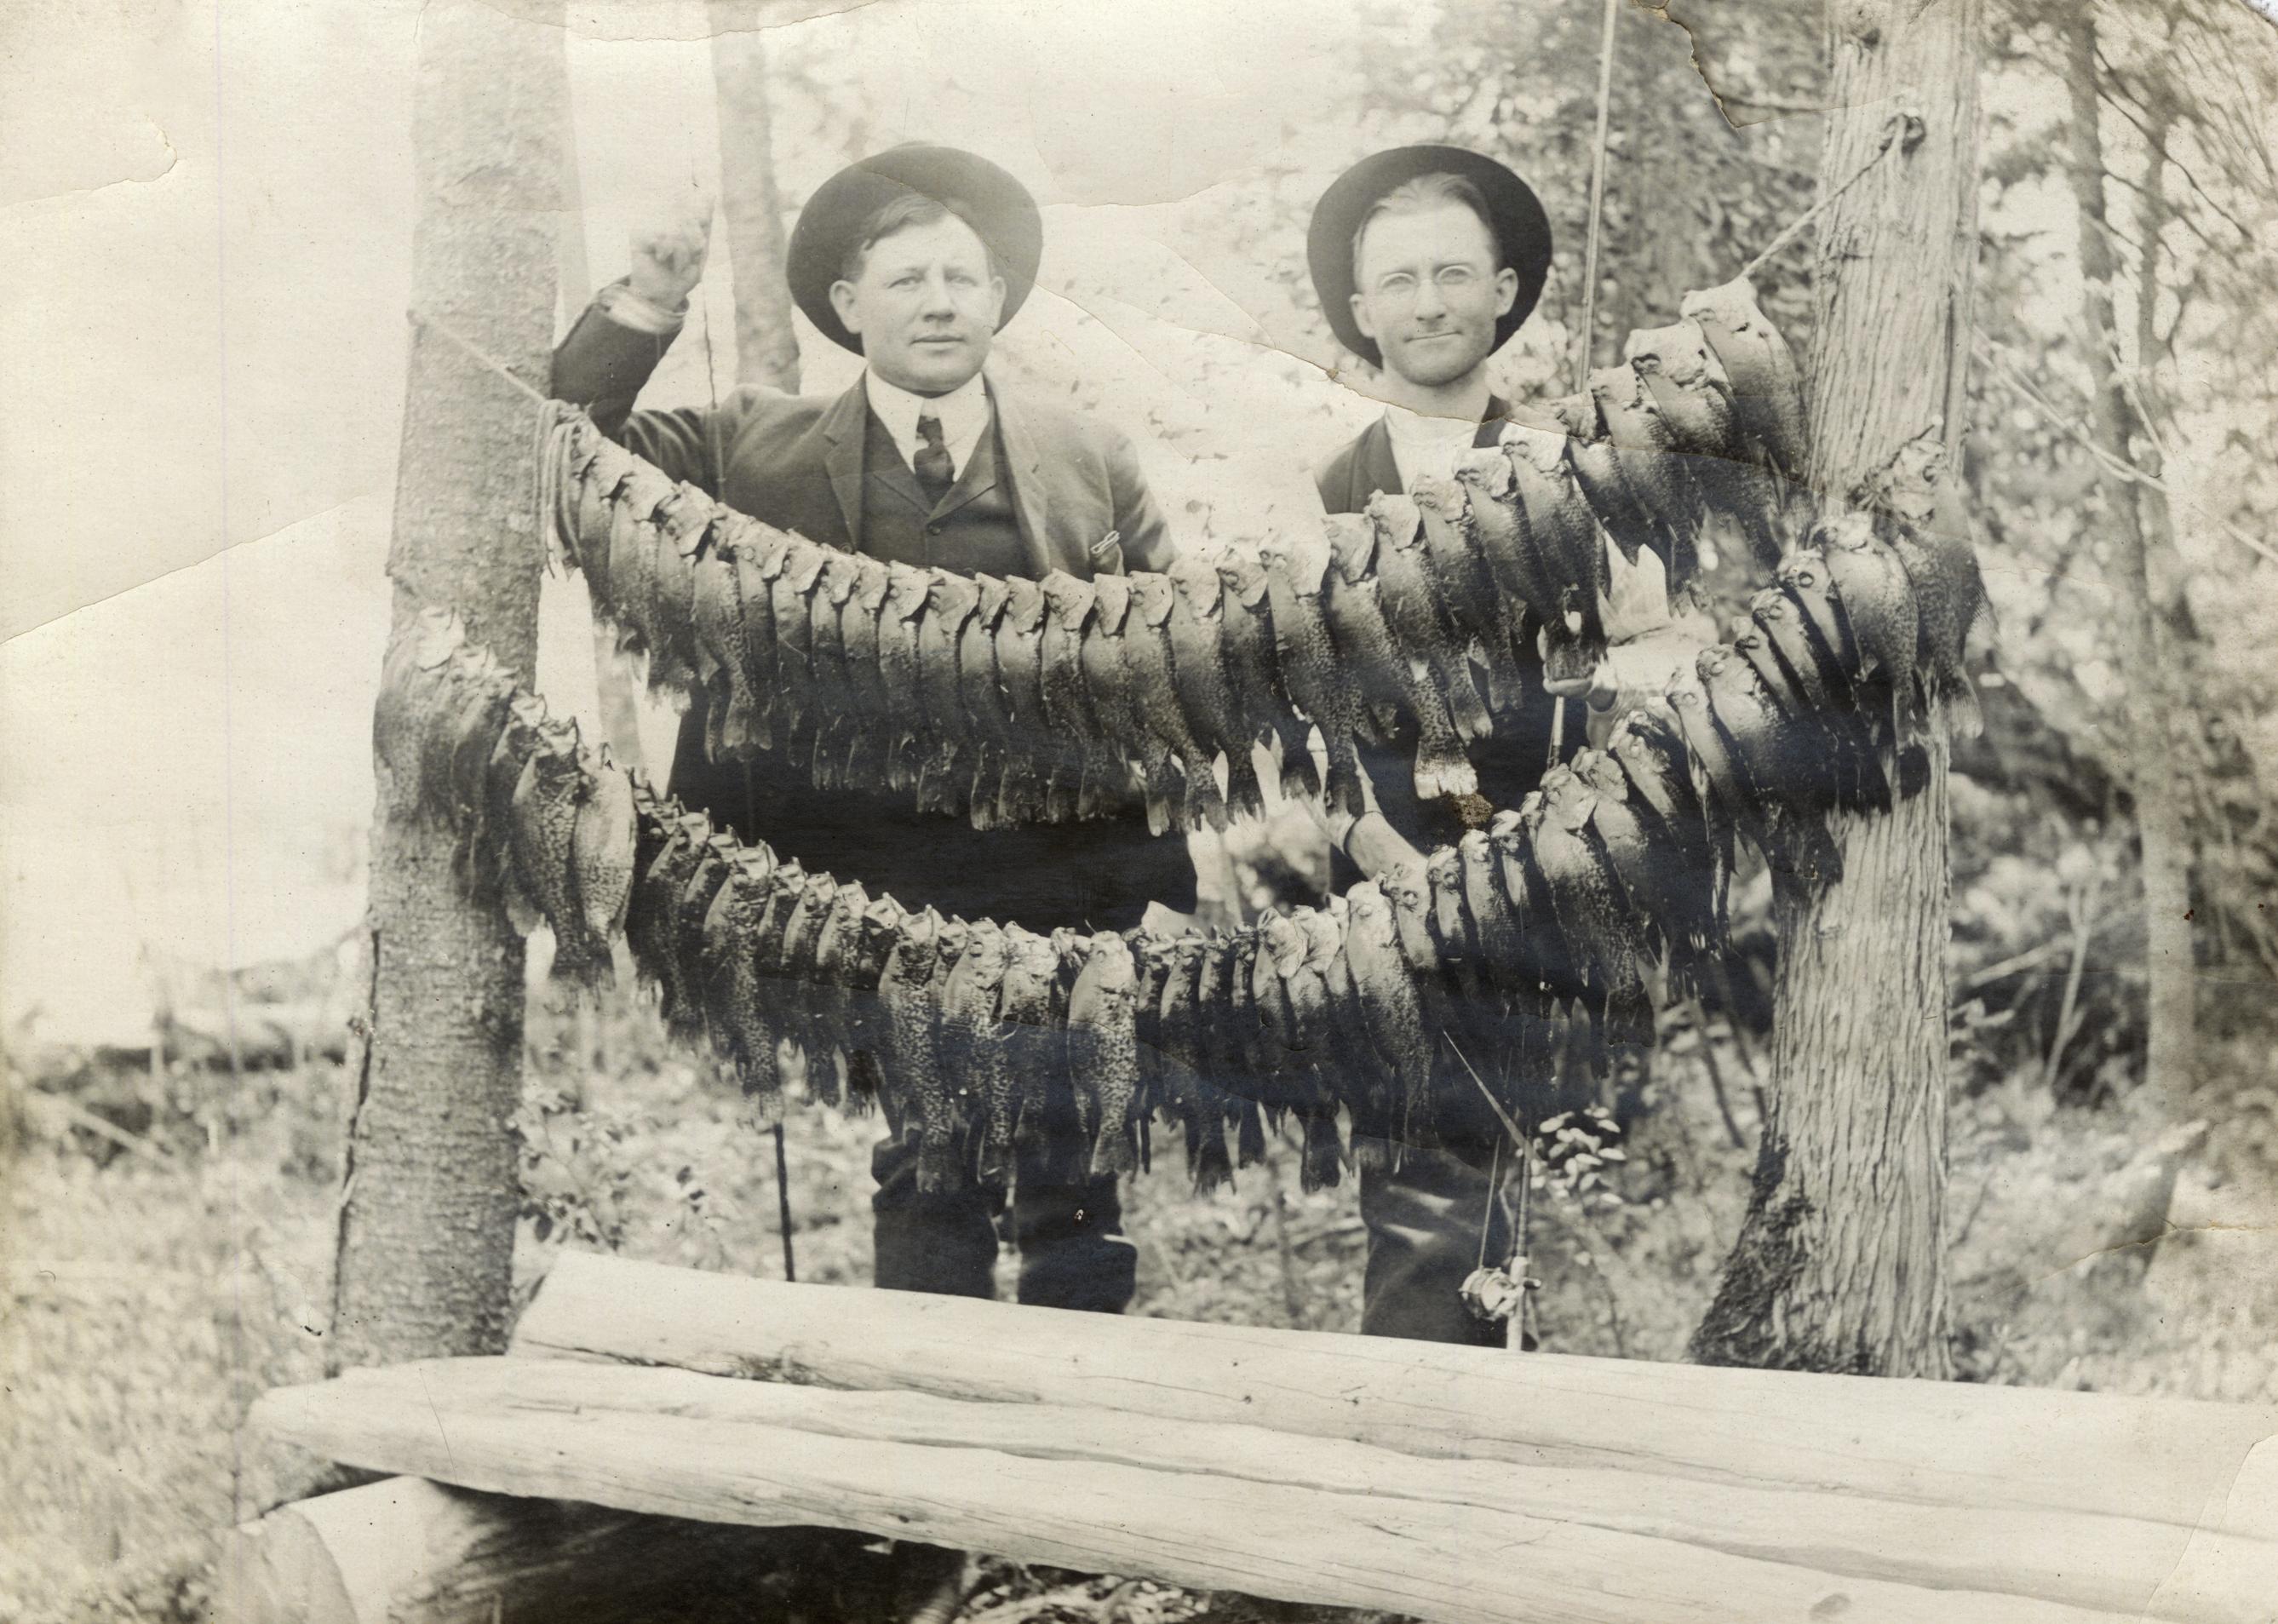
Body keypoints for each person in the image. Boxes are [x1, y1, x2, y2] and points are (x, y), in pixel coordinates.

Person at [552, 143, 1192, 1322]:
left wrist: (1154, 867)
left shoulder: (1089, 455)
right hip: (863, 891)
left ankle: (1079, 1416)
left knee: (1077, 1176)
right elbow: (568, 453)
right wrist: (648, 298)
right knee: (931, 1166)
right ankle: (928, 1426)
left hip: (1065, 875)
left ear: (998, 296)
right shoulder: (752, 445)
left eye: (961, 277)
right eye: (906, 281)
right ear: (849, 306)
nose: (939, 302)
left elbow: (1169, 662)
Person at [1304, 145, 1564, 1351]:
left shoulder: (1567, 473)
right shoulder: (1316, 491)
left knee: (1522, 1188)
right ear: (1362, 310)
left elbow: (1628, 680)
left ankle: (1497, 1419)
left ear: (1502, 293)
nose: (1428, 305)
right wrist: (1377, 852)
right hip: (1382, 880)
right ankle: (1406, 1434)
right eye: (1400, 281)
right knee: (1414, 1187)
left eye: (1454, 274)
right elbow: (1284, 715)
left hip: (1547, 882)